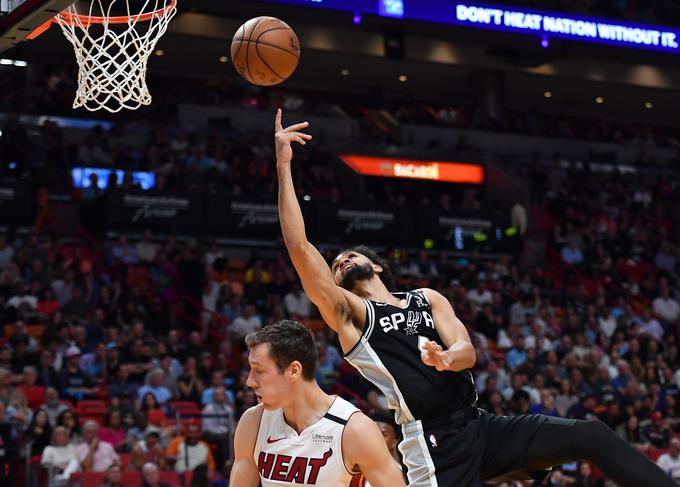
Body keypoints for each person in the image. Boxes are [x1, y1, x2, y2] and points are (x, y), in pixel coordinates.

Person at [273, 109, 679, 487]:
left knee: (591, 434)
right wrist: (284, 165)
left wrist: (449, 358)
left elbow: (467, 350)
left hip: (481, 425)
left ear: (376, 267)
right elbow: (298, 246)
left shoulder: (426, 297)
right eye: (337, 262)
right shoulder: (353, 314)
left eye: (351, 254)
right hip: (432, 442)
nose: (341, 259)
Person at [229, 320, 405, 487]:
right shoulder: (253, 422)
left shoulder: (353, 429)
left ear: (293, 370)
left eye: (259, 370)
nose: (250, 381)